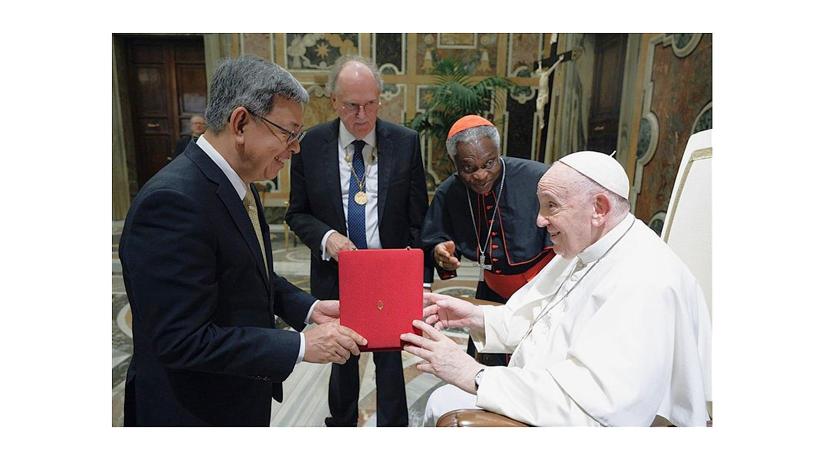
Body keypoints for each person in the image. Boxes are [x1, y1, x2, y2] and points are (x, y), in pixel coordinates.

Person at [119, 56, 367, 426]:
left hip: (235, 395)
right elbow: (180, 340)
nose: (295, 148)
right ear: (240, 123)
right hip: (192, 412)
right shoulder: (173, 202)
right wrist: (302, 346)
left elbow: (246, 272)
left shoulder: (235, 183)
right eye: (289, 133)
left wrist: (309, 309)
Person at [402, 151, 712, 426]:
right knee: (441, 400)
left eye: (552, 206)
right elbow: (543, 320)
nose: (539, 220)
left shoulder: (644, 280)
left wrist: (475, 375)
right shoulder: (589, 245)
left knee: (445, 401)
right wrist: (476, 317)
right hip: (543, 392)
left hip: (577, 419)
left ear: (599, 208)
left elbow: (598, 408)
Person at [286, 55, 429, 427]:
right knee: (342, 354)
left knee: (390, 353)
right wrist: (328, 237)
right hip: (337, 273)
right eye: (351, 105)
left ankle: (394, 427)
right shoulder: (310, 145)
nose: (361, 115)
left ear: (380, 100)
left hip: (389, 272)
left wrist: (418, 278)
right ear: (333, 100)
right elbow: (297, 213)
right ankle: (342, 422)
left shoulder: (405, 142)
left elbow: (418, 218)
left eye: (370, 104)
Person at [421, 115, 554, 367]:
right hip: (492, 291)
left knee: (535, 362)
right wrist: (441, 251)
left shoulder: (539, 178)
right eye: (468, 168)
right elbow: (434, 235)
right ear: (455, 164)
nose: (481, 175)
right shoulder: (450, 191)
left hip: (541, 291)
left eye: (489, 163)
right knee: (488, 364)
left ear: (498, 151)